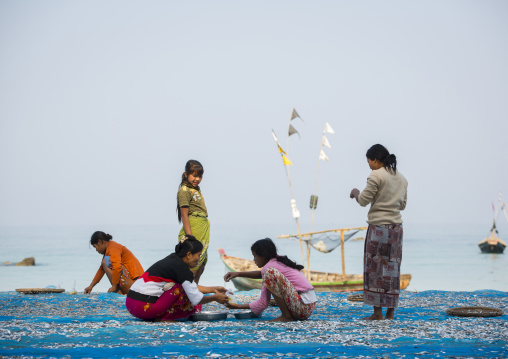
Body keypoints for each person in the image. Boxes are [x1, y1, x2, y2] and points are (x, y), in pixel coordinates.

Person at [350, 144, 408, 320]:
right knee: (392, 269)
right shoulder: (402, 178)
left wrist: (355, 193)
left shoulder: (376, 175)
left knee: (374, 268)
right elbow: (403, 205)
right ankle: (390, 312)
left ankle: (377, 313)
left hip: (379, 229)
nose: (368, 164)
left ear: (375, 159)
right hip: (396, 229)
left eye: (368, 161)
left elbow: (363, 201)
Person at [125, 235, 228, 322]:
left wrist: (213, 289)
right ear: (188, 255)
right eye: (198, 255)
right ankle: (163, 318)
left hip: (131, 305)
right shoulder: (182, 269)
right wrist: (215, 297)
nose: (199, 259)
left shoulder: (173, 259)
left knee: (184, 288)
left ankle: (160, 316)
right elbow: (196, 298)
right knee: (187, 296)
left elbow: (190, 285)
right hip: (144, 308)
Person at [224, 238, 317, 322]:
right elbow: (261, 274)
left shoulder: (269, 269)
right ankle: (287, 314)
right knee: (269, 278)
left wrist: (237, 306)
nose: (254, 260)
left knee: (269, 272)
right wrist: (238, 274)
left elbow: (263, 303)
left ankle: (286, 316)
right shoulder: (277, 261)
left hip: (302, 308)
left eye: (255, 256)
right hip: (308, 306)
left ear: (263, 256)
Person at [176, 160, 209, 284]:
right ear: (186, 174)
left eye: (200, 176)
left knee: (201, 263)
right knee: (193, 263)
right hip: (194, 227)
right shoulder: (184, 191)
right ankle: (187, 291)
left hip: (202, 226)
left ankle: (194, 288)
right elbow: (184, 216)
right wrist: (190, 237)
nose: (198, 179)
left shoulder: (195, 189)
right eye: (194, 175)